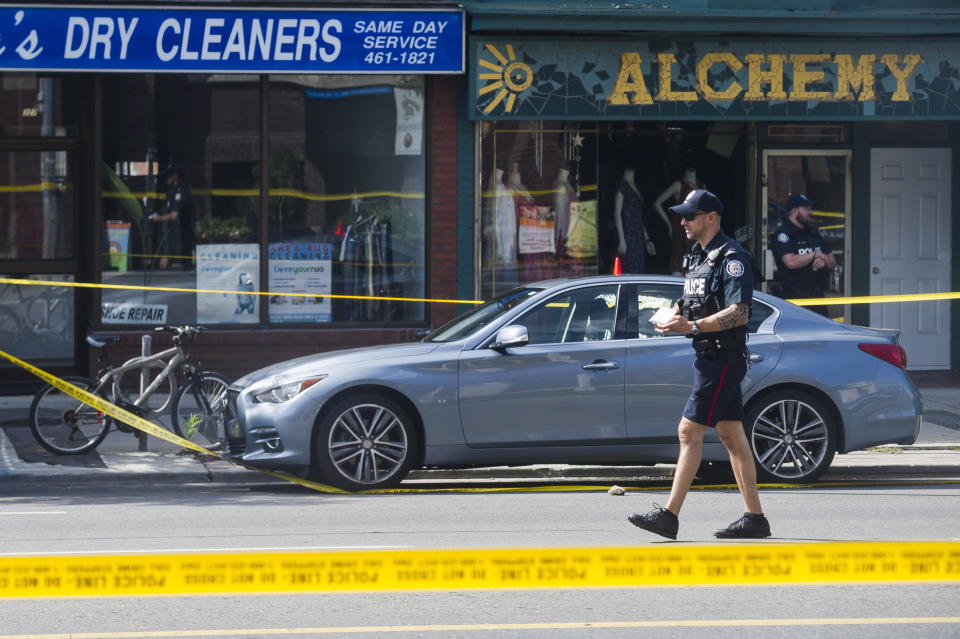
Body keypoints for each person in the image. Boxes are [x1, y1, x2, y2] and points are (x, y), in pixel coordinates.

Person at [627, 188, 771, 540]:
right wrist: (671, 316)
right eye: (682, 215)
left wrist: (691, 327)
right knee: (731, 434)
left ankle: (668, 516)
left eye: (690, 216)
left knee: (688, 431)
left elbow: (739, 313)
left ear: (711, 217)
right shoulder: (697, 256)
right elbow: (691, 299)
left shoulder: (732, 257)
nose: (683, 222)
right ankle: (755, 518)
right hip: (707, 355)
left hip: (722, 357)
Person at [771, 193, 837, 317]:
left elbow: (832, 260)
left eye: (810, 209)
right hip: (794, 296)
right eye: (806, 209)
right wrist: (815, 255)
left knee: (822, 333)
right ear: (795, 211)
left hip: (817, 296)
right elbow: (790, 262)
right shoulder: (784, 234)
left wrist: (823, 259)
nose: (810, 212)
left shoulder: (813, 233)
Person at [653, 167, 704, 274]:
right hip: (681, 232)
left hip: (696, 233)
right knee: (678, 265)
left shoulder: (702, 187)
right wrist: (669, 224)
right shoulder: (679, 185)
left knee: (695, 266)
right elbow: (657, 203)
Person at [148, 163, 191, 269]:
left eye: (168, 176)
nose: (166, 179)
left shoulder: (181, 191)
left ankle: (178, 261)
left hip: (182, 236)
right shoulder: (171, 191)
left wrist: (158, 218)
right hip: (172, 235)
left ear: (175, 176)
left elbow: (174, 215)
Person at [613, 168, 655, 274]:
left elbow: (638, 217)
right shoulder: (622, 185)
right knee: (629, 270)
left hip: (638, 236)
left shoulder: (635, 186)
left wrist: (647, 239)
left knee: (639, 269)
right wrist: (622, 240)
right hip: (627, 234)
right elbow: (617, 213)